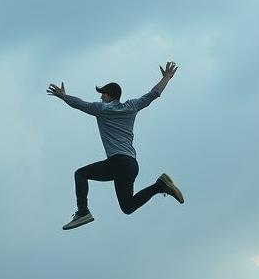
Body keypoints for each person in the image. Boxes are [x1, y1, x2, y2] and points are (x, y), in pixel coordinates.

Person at [47, 61, 185, 230]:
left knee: (80, 174)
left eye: (102, 95)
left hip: (117, 163)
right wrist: (166, 78)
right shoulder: (132, 106)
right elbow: (153, 94)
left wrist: (63, 96)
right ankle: (159, 186)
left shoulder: (101, 109)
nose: (100, 98)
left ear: (107, 95)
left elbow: (80, 104)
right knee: (128, 207)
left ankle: (83, 212)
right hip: (131, 165)